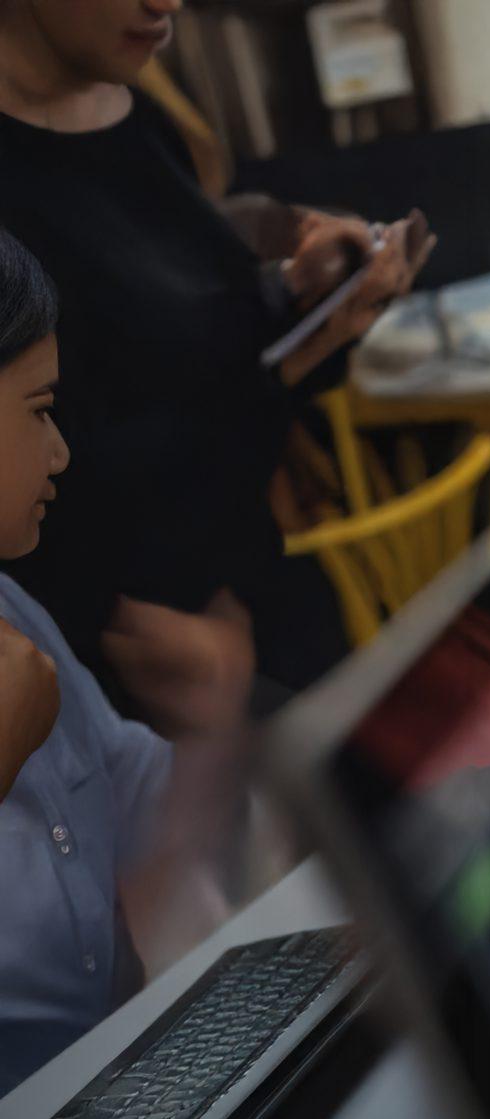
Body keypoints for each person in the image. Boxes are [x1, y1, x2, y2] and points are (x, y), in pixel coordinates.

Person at [0, 0, 423, 727]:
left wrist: (306, 306)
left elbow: (199, 364)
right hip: (131, 679)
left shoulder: (138, 115)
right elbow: (76, 473)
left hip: (250, 608)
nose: (167, 3)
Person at [0, 229, 254, 1095]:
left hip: (118, 1093)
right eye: (39, 410)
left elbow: (137, 801)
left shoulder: (14, 612)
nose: (61, 451)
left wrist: (212, 729)